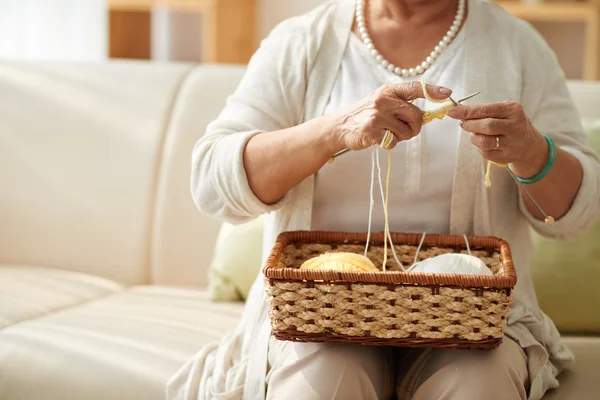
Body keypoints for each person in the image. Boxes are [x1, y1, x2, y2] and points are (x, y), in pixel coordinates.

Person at [167, 0, 600, 399]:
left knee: (479, 380)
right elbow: (211, 182)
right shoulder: (300, 43)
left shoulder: (518, 46)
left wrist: (532, 152)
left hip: (473, 321)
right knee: (326, 371)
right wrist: (336, 129)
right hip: (318, 311)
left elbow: (577, 215)